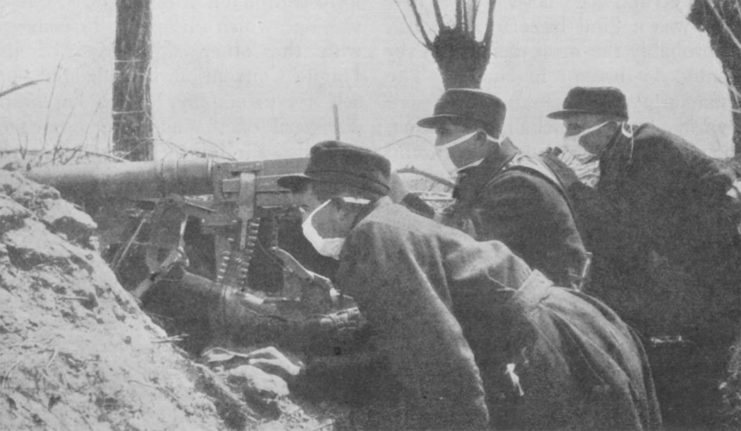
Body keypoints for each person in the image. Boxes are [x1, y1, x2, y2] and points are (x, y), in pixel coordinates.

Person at [277, 140, 662, 430]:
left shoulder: (377, 236)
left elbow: (439, 359)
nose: (303, 220)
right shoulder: (390, 223)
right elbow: (401, 333)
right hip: (568, 323)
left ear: (344, 206)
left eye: (307, 208)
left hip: (547, 343)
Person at [543, 86, 741, 426]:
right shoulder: (620, 153)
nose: (568, 137)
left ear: (610, 124)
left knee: (690, 403)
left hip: (705, 301)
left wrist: (570, 184)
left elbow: (624, 234)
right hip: (687, 297)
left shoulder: (653, 151)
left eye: (576, 127)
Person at [417, 88, 590, 289]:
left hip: (547, 307)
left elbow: (457, 245)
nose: (438, 143)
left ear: (480, 138)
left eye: (444, 132)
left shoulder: (517, 184)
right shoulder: (495, 172)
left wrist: (402, 201)